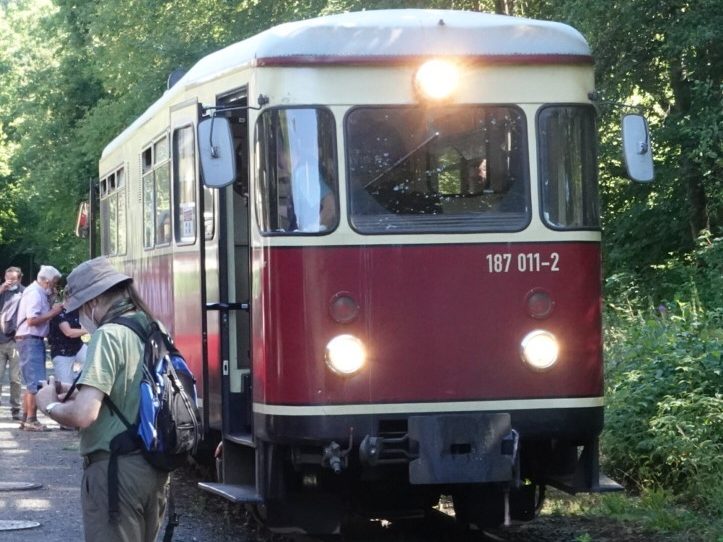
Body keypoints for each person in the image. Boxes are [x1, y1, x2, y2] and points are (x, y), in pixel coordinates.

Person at [36, 256, 168, 542]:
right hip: (152, 469)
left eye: (81, 306)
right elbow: (127, 391)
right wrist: (73, 388)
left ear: (92, 302)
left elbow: (84, 415)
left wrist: (48, 403)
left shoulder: (109, 335)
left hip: (115, 473)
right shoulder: (151, 326)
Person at [15, 265, 63, 431]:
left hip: (29, 340)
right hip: (30, 339)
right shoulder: (35, 293)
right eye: (54, 282)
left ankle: (25, 418)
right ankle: (31, 420)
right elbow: (32, 320)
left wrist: (51, 300)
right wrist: (54, 312)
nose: (55, 286)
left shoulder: (38, 292)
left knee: (30, 382)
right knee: (36, 383)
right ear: (47, 281)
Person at [0, 266, 25, 420]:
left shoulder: (25, 292)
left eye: (13, 279)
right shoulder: (1, 291)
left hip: (16, 340)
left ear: (20, 278)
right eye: (7, 279)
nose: (9, 282)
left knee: (15, 378)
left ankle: (16, 408)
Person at [48, 307, 87, 385]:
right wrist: (88, 330)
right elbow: (68, 332)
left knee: (93, 360)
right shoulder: (59, 312)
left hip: (78, 347)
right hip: (61, 352)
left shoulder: (79, 310)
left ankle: (78, 378)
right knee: (66, 386)